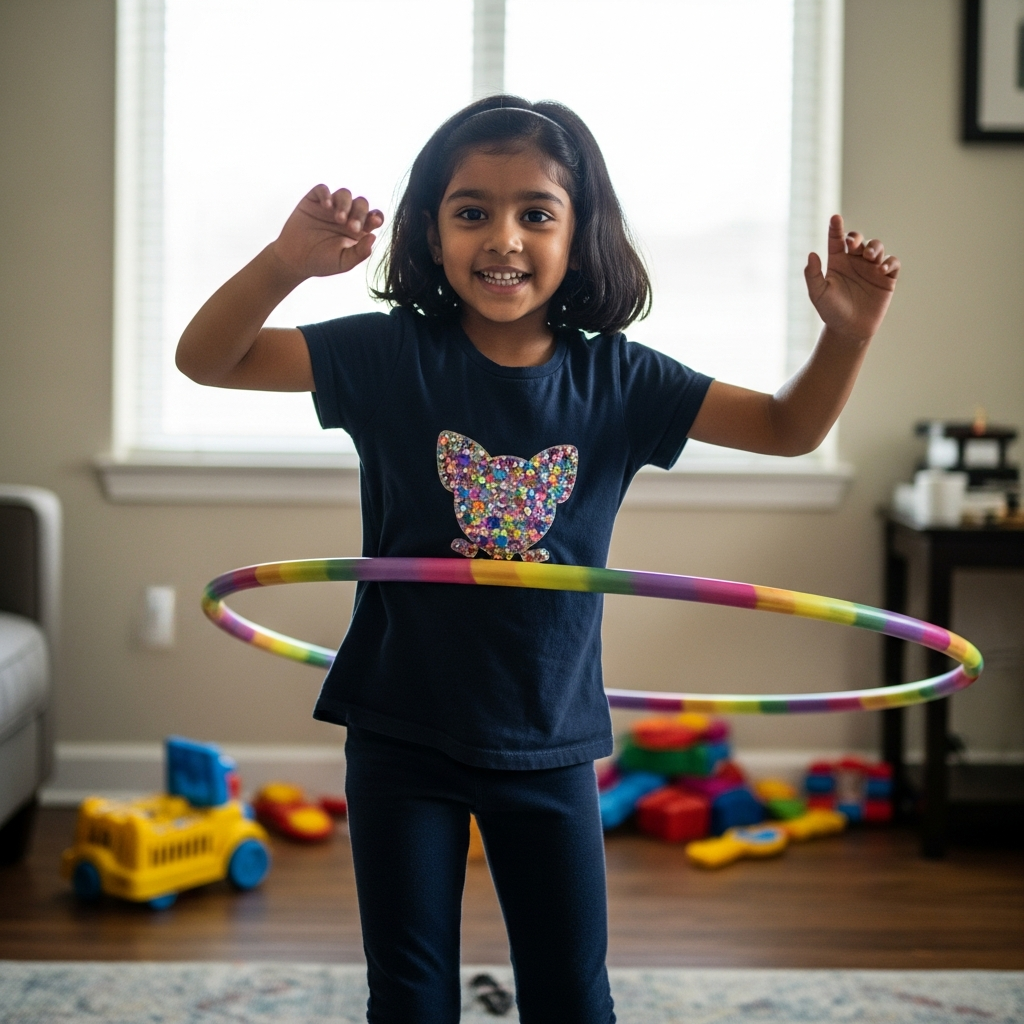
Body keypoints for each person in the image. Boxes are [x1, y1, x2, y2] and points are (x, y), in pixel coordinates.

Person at [176, 95, 899, 1024]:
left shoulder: (622, 378)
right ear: (431, 235)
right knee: (408, 992)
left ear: (579, 233)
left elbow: (789, 428)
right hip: (400, 724)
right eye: (471, 211)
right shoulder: (391, 355)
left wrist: (849, 331)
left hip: (550, 735)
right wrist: (286, 262)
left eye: (536, 213)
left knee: (570, 992)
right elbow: (208, 359)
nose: (502, 237)